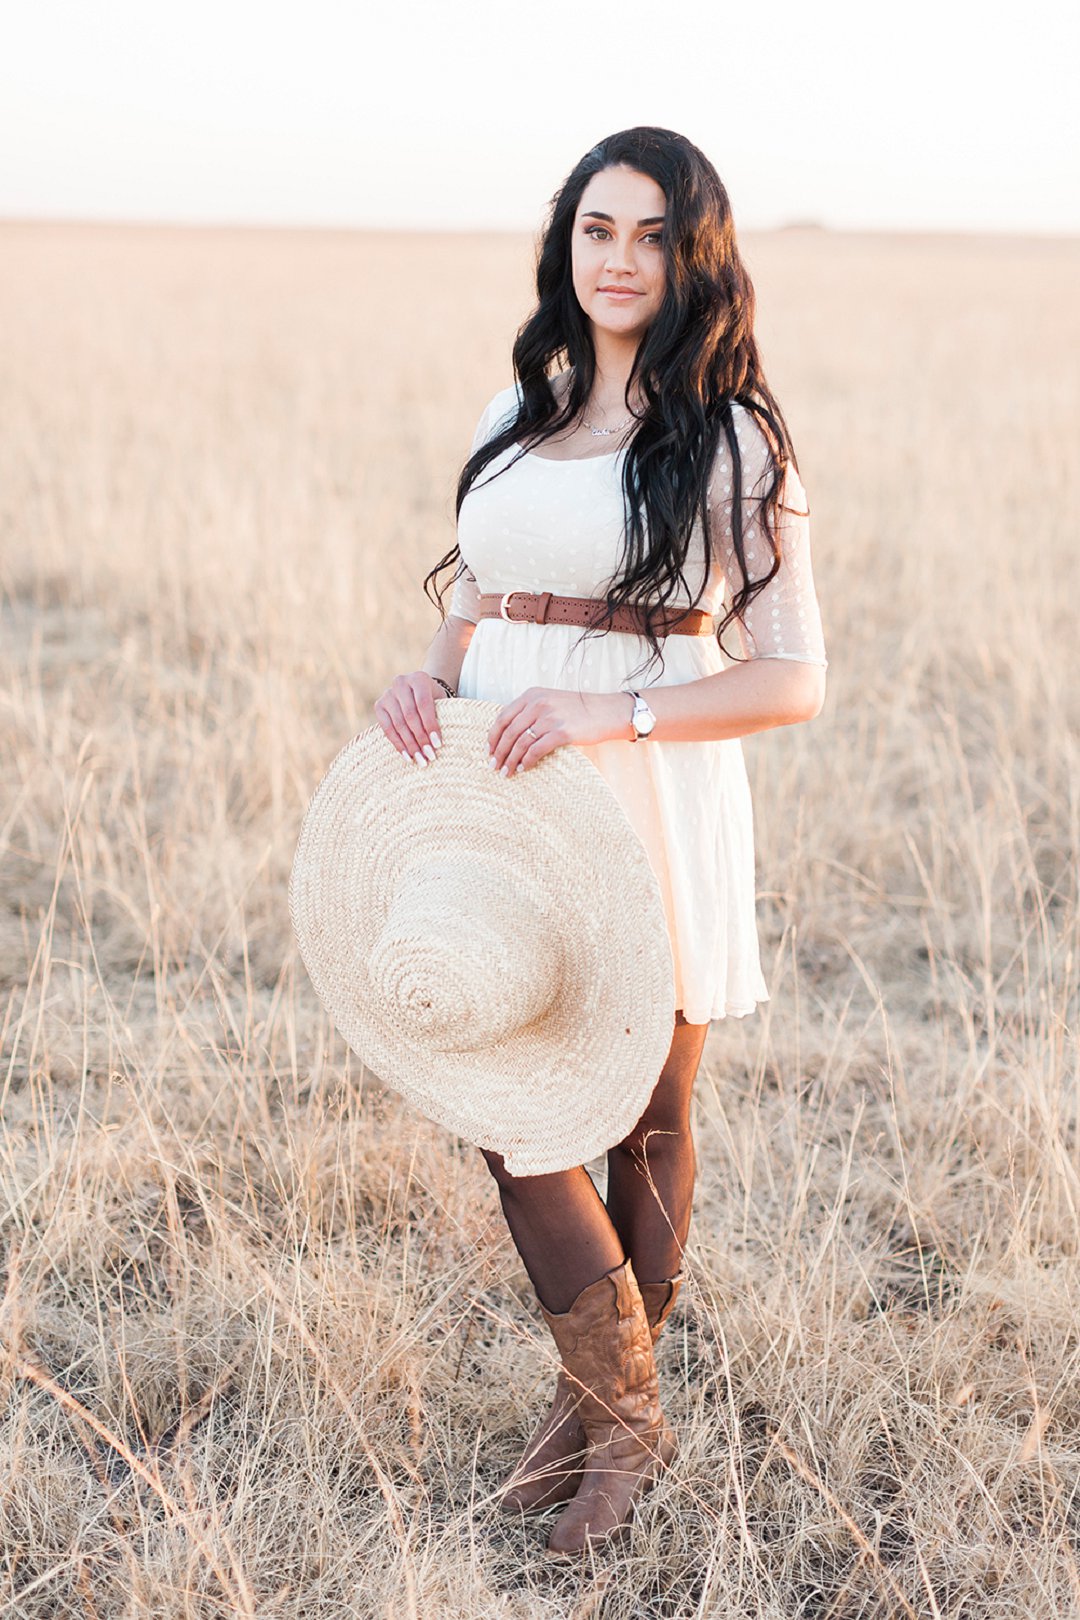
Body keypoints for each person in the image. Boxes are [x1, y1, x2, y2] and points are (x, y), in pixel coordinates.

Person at [373, 126, 828, 1556]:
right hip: (507, 797)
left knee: (647, 1118)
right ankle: (616, 1404)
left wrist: (608, 712)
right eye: (597, 229)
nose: (620, 260)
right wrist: (424, 684)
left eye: (652, 236)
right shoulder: (514, 410)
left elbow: (793, 678)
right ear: (564, 244)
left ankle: (605, 1423)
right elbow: (476, 603)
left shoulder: (731, 434)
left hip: (645, 791)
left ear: (696, 259)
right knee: (517, 1111)